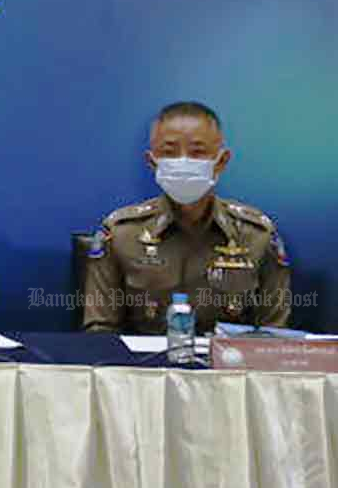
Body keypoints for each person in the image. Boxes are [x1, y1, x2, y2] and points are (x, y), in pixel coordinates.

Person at [82, 101, 290, 333]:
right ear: (152, 162)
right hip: (142, 367)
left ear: (221, 161)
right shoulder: (121, 233)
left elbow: (274, 335)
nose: (183, 161)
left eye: (198, 152)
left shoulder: (257, 235)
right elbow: (100, 332)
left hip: (227, 365)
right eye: (169, 152)